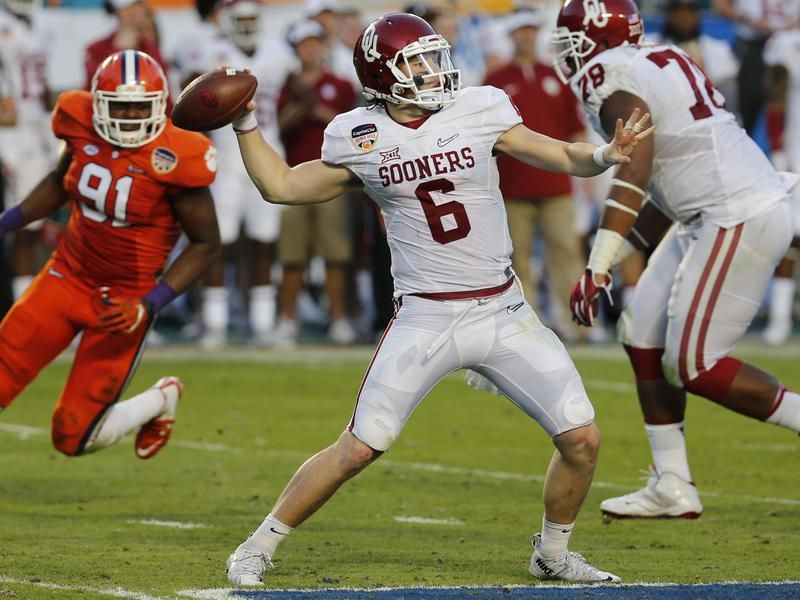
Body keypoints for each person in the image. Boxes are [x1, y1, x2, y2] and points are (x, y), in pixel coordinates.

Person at [224, 12, 653, 585]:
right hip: (427, 315)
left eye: (434, 57)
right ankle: (257, 545)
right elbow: (279, 187)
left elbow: (557, 154)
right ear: (383, 75)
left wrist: (604, 155)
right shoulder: (358, 135)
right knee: (359, 447)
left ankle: (552, 553)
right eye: (417, 62)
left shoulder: (479, 109)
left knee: (582, 439)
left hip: (503, 309)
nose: (434, 71)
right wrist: (246, 123)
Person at [555, 0, 800, 519]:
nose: (567, 55)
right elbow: (673, 177)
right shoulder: (657, 56)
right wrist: (621, 250)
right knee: (641, 330)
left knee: (693, 364)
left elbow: (637, 165)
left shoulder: (607, 74)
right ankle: (672, 484)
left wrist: (599, 264)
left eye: (572, 41)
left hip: (734, 212)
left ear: (593, 41)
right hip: (707, 213)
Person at [0, 50, 220, 458]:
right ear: (98, 102)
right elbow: (59, 181)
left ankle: (161, 399)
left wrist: (149, 304)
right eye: (119, 107)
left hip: (123, 301)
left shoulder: (177, 157)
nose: (129, 119)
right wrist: (9, 220)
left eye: (140, 108)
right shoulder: (79, 122)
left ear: (161, 106)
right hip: (66, 275)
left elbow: (207, 244)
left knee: (72, 437)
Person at [177, 0, 294, 348]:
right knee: (218, 243)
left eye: (249, 20)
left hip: (266, 151)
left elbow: (299, 93)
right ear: (227, 21)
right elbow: (184, 97)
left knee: (264, 242)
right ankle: (215, 321)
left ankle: (262, 321)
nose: (245, 26)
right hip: (225, 158)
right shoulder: (210, 50)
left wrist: (274, 126)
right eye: (239, 20)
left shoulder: (276, 51)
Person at [484, 9, 587, 342]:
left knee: (567, 252)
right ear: (511, 37)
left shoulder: (556, 75)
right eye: (520, 31)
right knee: (518, 258)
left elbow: (576, 131)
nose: (526, 36)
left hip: (556, 183)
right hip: (514, 186)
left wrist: (585, 179)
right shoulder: (495, 81)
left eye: (530, 30)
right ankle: (525, 325)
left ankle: (576, 322)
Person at [273, 19, 358, 346]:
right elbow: (280, 126)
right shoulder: (286, 87)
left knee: (335, 253)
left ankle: (339, 319)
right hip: (294, 176)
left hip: (334, 176)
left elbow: (347, 126)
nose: (310, 49)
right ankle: (287, 320)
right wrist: (301, 104)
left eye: (315, 42)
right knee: (293, 255)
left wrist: (311, 104)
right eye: (304, 44)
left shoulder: (339, 83)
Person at [0, 0, 54, 301]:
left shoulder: (41, 19)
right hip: (8, 133)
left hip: (36, 130)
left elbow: (45, 87)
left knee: (33, 223)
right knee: (19, 221)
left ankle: (27, 304)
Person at [761, 28, 800, 346]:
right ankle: (780, 318)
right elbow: (776, 100)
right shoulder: (786, 44)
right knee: (791, 239)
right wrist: (778, 151)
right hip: (796, 151)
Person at [713, 0, 800, 135]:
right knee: (748, 106)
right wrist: (748, 19)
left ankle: (782, 152)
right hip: (753, 44)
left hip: (791, 44)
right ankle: (743, 150)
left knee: (791, 105)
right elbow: (720, 4)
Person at [83, 0, 169, 91]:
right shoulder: (96, 49)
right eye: (128, 8)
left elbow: (166, 94)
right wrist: (118, 50)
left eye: (138, 5)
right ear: (116, 11)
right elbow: (94, 88)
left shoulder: (150, 46)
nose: (134, 12)